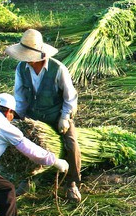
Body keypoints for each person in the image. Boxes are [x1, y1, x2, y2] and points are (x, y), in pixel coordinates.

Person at [6, 28, 82, 203]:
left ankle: (72, 184)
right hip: (34, 115)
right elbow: (20, 97)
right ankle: (28, 179)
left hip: (56, 114)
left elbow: (70, 97)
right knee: (24, 143)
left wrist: (65, 117)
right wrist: (18, 119)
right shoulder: (22, 68)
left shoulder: (57, 69)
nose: (26, 60)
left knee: (71, 145)